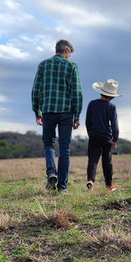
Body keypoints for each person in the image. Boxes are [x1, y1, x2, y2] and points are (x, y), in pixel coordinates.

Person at [31, 39, 82, 192]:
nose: (69, 57)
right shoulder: (71, 66)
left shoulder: (43, 65)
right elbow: (76, 93)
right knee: (65, 149)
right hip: (66, 112)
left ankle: (51, 172)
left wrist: (37, 111)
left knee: (48, 144)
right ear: (66, 51)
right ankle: (62, 188)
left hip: (48, 111)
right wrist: (77, 116)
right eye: (70, 54)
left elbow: (36, 90)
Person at [85, 78, 122, 191]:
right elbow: (114, 125)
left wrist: (90, 133)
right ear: (112, 97)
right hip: (107, 138)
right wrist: (114, 139)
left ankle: (90, 180)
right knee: (107, 162)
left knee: (93, 160)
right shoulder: (112, 107)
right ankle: (109, 185)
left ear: (101, 92)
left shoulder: (92, 104)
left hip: (94, 136)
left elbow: (87, 122)